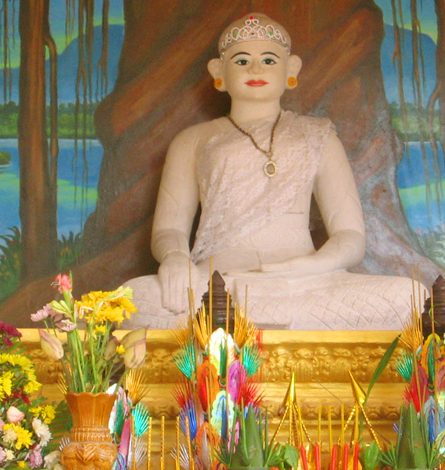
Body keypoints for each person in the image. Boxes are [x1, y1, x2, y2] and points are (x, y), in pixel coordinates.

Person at [125, 13, 425, 330]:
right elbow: (169, 229)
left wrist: (310, 266)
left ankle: (252, 320)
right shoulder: (192, 141)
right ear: (219, 72)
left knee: (413, 298)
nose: (256, 69)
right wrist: (175, 258)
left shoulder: (317, 136)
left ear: (291, 68)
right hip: (218, 282)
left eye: (269, 60)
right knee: (132, 300)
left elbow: (350, 236)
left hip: (306, 283)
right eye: (242, 61)